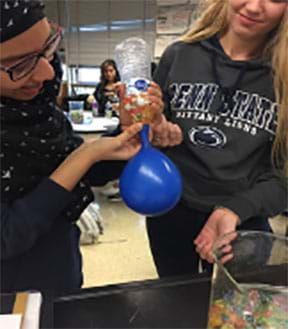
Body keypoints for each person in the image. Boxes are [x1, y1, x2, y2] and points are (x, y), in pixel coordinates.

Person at [0, 0, 182, 293]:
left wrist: (128, 133)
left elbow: (78, 174)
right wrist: (86, 154)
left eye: (47, 49)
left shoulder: (36, 107)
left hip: (60, 273)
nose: (47, 73)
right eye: (20, 65)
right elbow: (7, 235)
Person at [146, 0, 288, 277]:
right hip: (171, 214)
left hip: (244, 219)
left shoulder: (282, 76)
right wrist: (150, 132)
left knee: (234, 314)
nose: (254, 7)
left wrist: (234, 210)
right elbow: (140, 139)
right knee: (178, 307)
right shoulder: (179, 55)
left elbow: (284, 174)